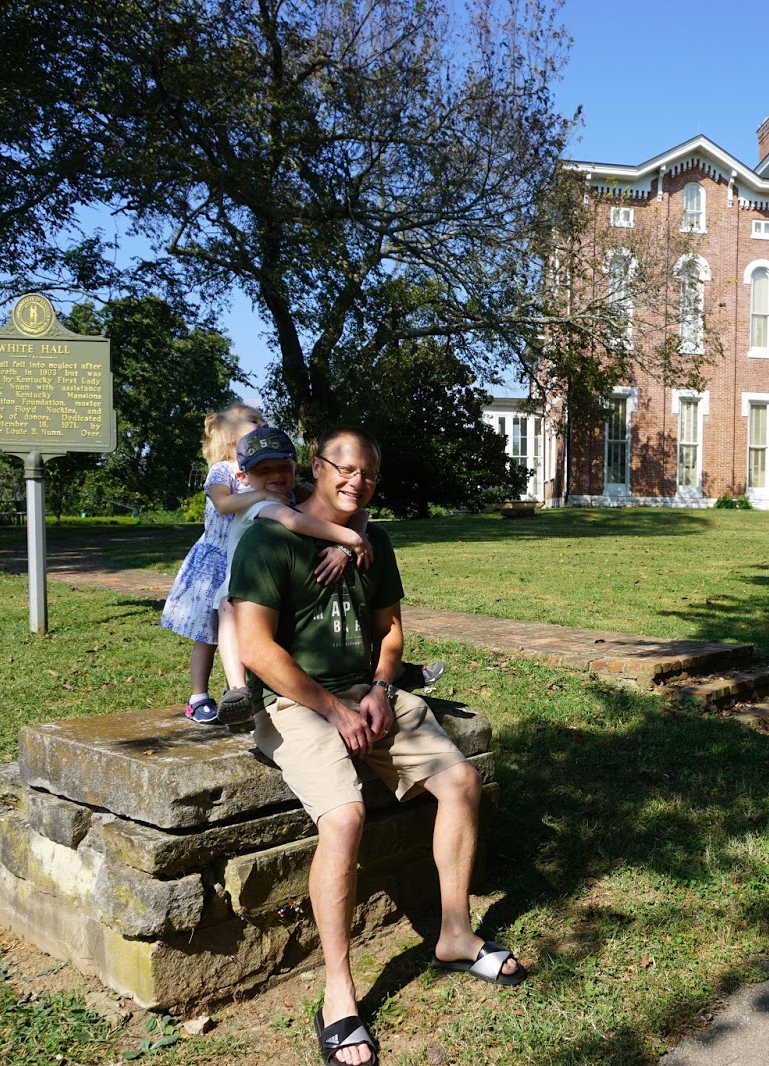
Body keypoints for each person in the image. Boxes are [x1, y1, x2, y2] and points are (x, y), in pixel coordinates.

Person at [230, 427, 524, 1066]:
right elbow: (255, 649)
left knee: (462, 781)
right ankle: (339, 992)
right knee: (345, 818)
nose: (356, 481)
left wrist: (383, 690)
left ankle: (454, 933)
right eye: (344, 467)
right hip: (294, 706)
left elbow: (390, 631)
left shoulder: (375, 541)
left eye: (367, 473)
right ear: (316, 467)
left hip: (369, 695)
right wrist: (333, 708)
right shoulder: (267, 539)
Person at [211, 426, 374, 726]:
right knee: (230, 614)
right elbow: (294, 521)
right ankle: (238, 689)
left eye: (283, 467)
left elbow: (360, 513)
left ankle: (389, 669)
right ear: (243, 478)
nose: (276, 475)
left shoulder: (295, 494)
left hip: (275, 585)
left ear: (296, 469)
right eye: (264, 470)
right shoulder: (258, 503)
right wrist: (350, 539)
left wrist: (346, 545)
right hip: (243, 585)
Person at [160, 403, 273, 724]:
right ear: (230, 437)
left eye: (263, 419)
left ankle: (238, 692)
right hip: (216, 562)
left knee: (246, 628)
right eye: (254, 420)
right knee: (207, 635)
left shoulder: (263, 471)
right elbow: (223, 503)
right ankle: (197, 696)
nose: (263, 423)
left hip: (249, 560)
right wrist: (261, 493)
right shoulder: (223, 470)